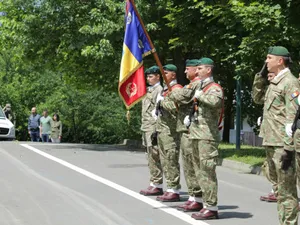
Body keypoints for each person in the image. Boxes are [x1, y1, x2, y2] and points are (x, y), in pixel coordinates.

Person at [253, 46, 299, 225]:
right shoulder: (274, 83)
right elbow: (257, 98)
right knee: (280, 190)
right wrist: (260, 77)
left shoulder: (290, 82)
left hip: (282, 144)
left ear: (280, 61)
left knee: (287, 192)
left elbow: (292, 117)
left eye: (269, 58)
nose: (266, 61)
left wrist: (288, 148)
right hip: (271, 141)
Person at [181, 57, 223, 220]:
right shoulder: (201, 86)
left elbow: (215, 103)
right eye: (196, 69)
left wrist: (201, 96)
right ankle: (205, 203)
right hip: (197, 133)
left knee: (207, 170)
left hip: (207, 136)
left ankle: (211, 207)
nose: (196, 71)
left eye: (200, 69)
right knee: (199, 170)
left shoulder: (214, 87)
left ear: (208, 70)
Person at [167, 59, 203, 212]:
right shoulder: (190, 85)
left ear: (196, 70)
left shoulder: (196, 84)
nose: (185, 71)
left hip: (191, 128)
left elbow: (182, 97)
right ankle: (192, 196)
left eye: (188, 69)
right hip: (184, 127)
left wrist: (173, 93)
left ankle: (198, 197)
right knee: (188, 164)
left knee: (192, 163)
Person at [155, 64, 182, 202]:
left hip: (171, 131)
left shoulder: (176, 89)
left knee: (171, 159)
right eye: (163, 72)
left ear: (173, 75)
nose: (164, 75)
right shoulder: (165, 90)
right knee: (165, 160)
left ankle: (174, 189)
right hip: (162, 129)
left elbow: (177, 108)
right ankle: (170, 187)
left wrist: (163, 103)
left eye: (166, 72)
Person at [253, 72, 278, 202]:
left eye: (271, 75)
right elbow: (257, 98)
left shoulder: (287, 86)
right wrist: (259, 78)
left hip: (281, 134)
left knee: (285, 166)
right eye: (267, 76)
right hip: (269, 133)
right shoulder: (269, 90)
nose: (269, 77)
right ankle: (276, 190)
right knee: (271, 164)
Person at [139, 66, 164, 196]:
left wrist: (155, 129)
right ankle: (154, 182)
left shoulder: (159, 90)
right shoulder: (149, 90)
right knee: (150, 156)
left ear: (158, 77)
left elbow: (158, 111)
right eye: (147, 77)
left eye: (151, 76)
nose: (148, 79)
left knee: (154, 155)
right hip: (146, 126)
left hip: (153, 127)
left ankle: (157, 184)